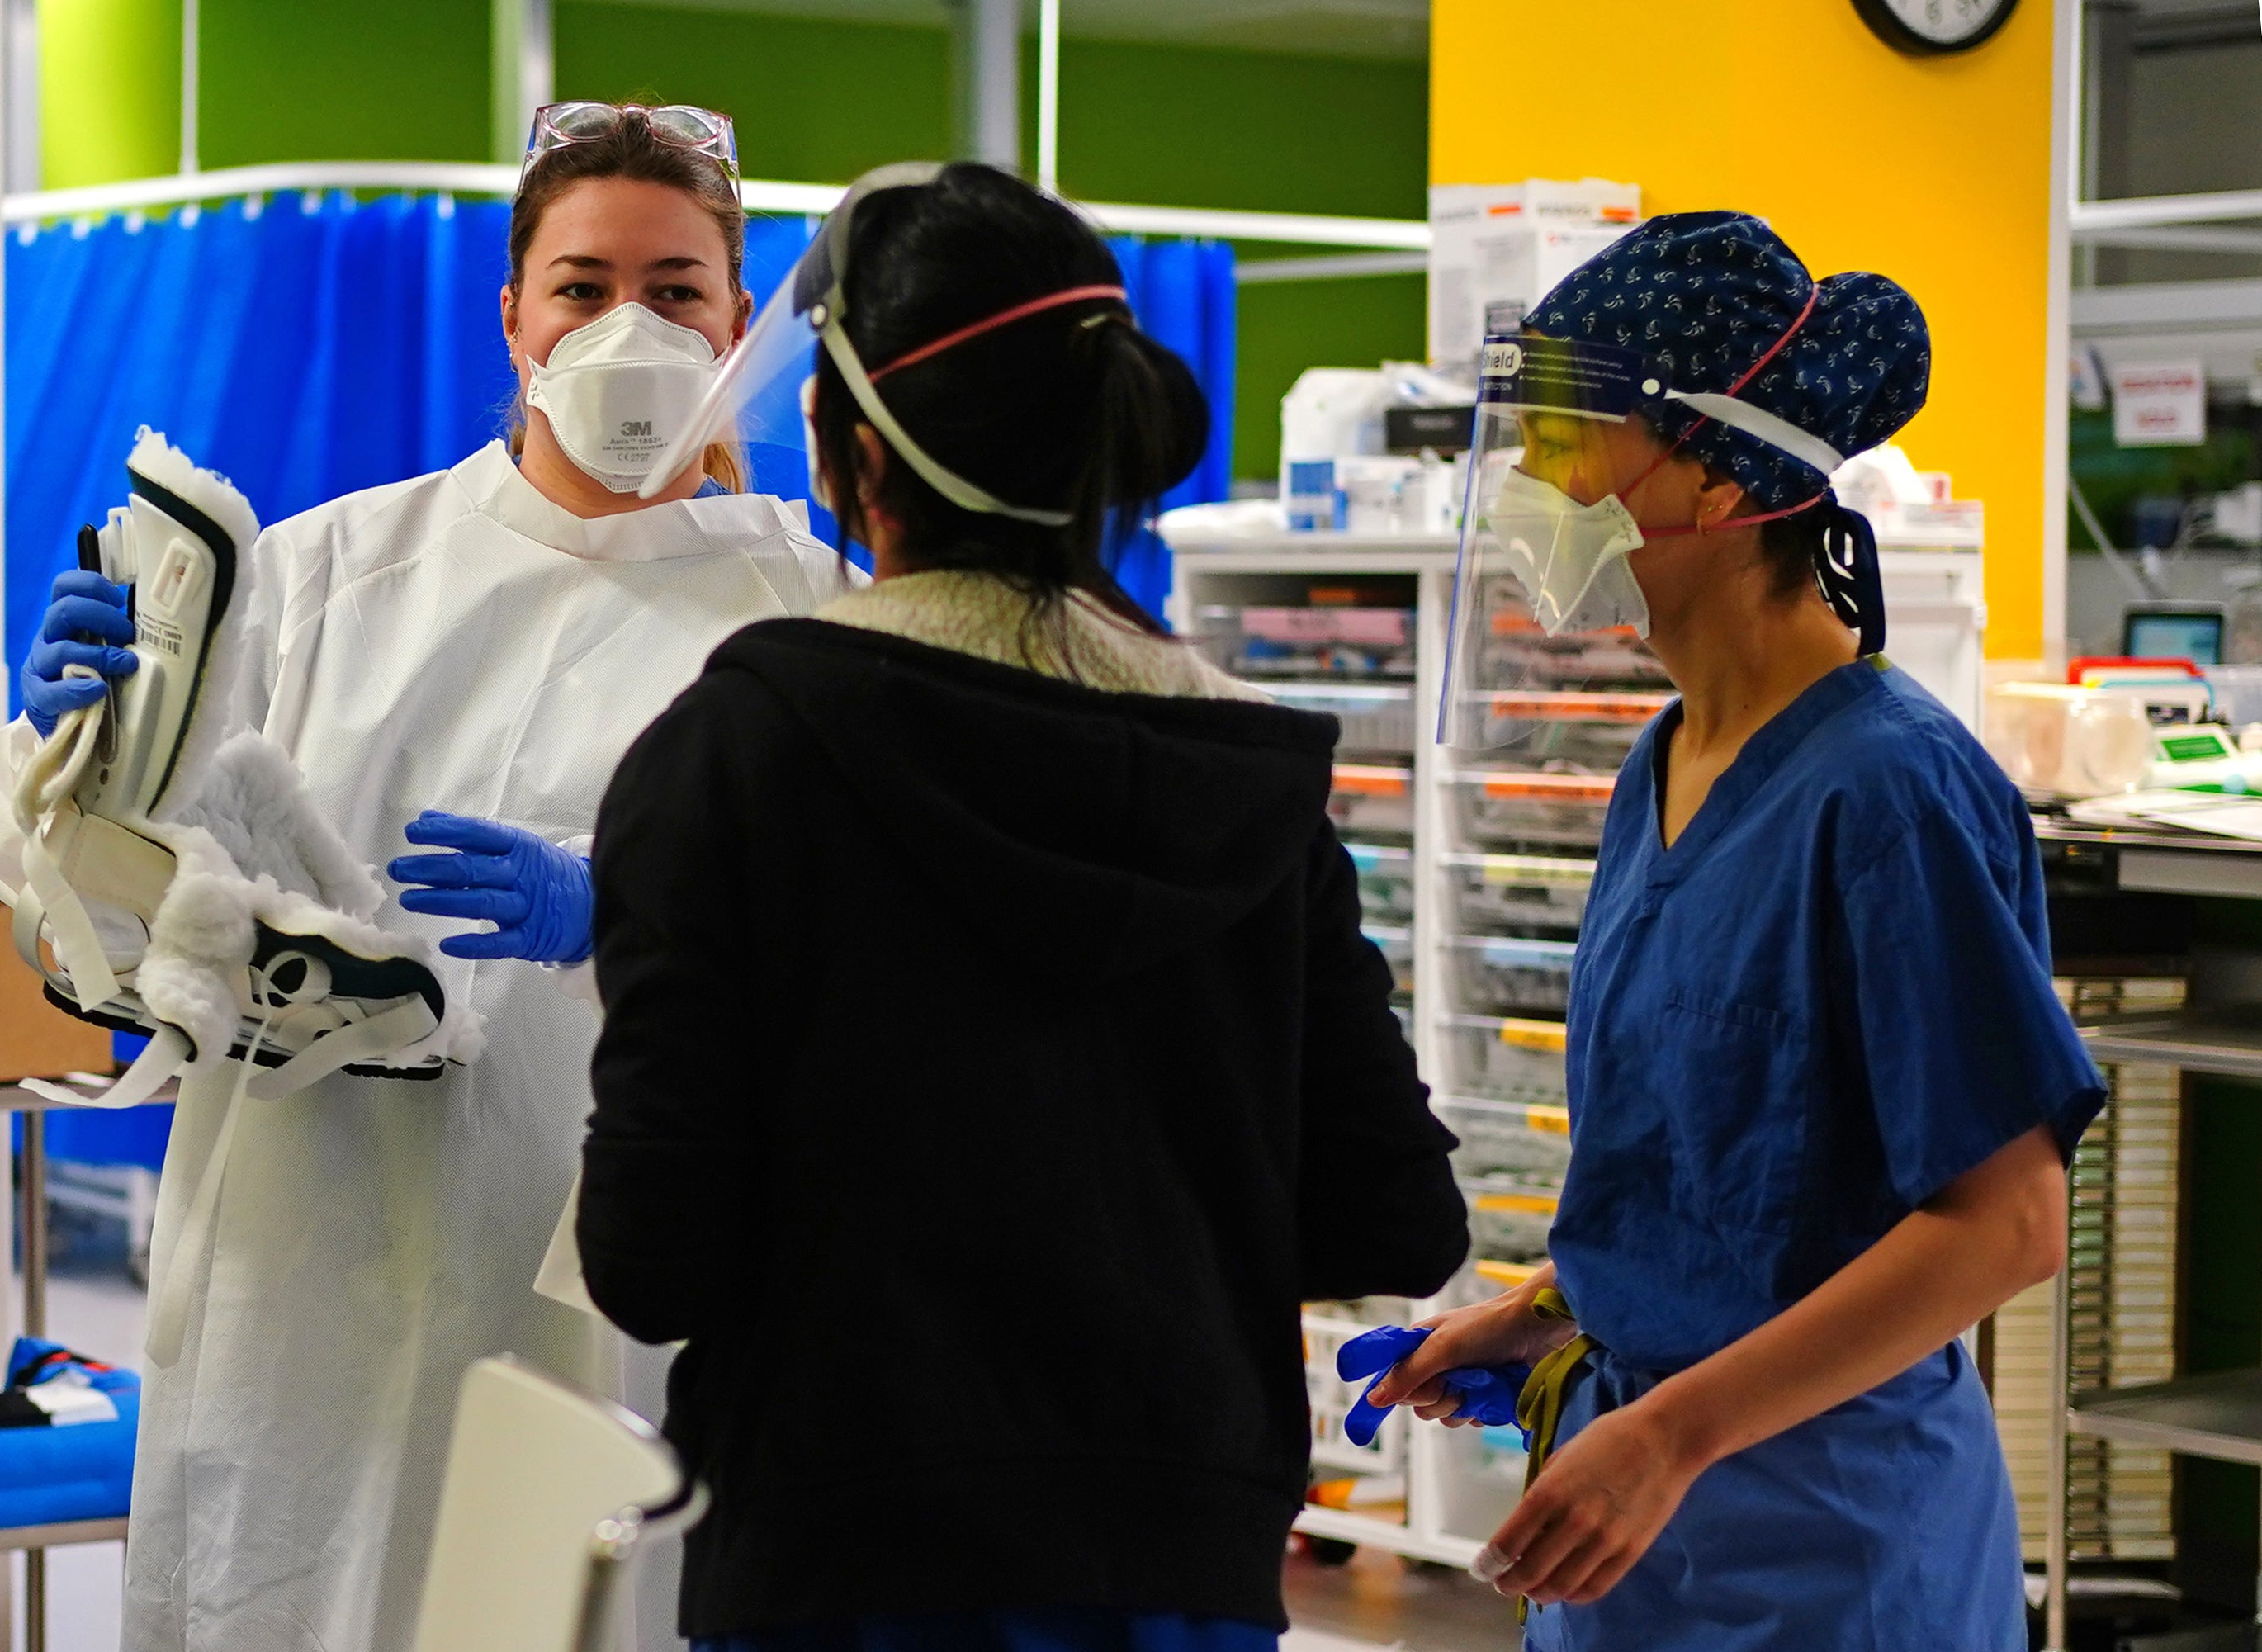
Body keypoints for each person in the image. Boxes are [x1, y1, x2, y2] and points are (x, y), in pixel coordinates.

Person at [0, 104, 846, 1652]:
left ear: (736, 322)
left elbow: (890, 958)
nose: (626, 328)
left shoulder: (814, 620)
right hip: (312, 1284)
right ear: (512, 314)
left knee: (593, 1606)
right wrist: (70, 767)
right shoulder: (313, 581)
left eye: (677, 289)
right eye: (582, 286)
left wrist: (635, 910)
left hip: (629, 1311)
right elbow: (111, 931)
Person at [572, 161, 1470, 1650]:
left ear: (856, 459)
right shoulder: (1250, 772)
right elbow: (1396, 1212)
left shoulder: (737, 751)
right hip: (1181, 1557)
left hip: (846, 1553)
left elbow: (649, 1263)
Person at [1370, 212, 2107, 1650]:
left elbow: (2005, 1222)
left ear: (1711, 481)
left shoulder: (1888, 790)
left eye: (1565, 446)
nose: (1528, 488)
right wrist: (1553, 1307)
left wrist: (1672, 1435)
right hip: (1635, 1528)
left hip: (1827, 1542)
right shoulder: (1663, 761)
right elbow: (1739, 1164)